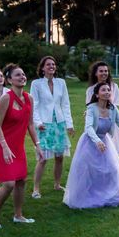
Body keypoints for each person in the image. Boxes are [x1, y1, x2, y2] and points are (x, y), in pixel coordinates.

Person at [64, 82, 119, 209]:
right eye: (103, 90)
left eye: (108, 90)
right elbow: (88, 128)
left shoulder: (113, 109)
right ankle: (83, 197)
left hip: (105, 142)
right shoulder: (91, 109)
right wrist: (97, 141)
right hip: (89, 143)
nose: (107, 92)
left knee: (114, 169)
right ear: (97, 94)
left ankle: (116, 197)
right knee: (86, 171)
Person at [0, 64, 43, 229]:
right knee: (9, 183)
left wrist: (37, 145)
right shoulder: (6, 98)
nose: (22, 77)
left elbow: (30, 124)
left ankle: (18, 215)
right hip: (0, 143)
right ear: (9, 79)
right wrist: (4, 146)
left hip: (17, 146)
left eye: (23, 74)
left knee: (20, 181)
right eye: (17, 75)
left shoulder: (29, 98)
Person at [30, 56, 74, 198]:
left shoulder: (61, 83)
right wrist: (38, 122)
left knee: (59, 156)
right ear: (42, 68)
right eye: (48, 64)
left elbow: (65, 104)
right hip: (44, 124)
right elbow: (34, 105)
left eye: (53, 64)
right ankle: (36, 189)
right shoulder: (36, 84)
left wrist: (69, 124)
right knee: (42, 158)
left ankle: (57, 184)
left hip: (59, 123)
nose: (51, 66)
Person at [85, 61, 119, 154]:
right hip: (97, 124)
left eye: (106, 71)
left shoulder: (114, 87)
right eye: (101, 71)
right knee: (97, 151)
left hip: (110, 122)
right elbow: (90, 106)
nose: (104, 73)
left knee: (112, 153)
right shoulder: (90, 90)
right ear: (96, 73)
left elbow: (115, 106)